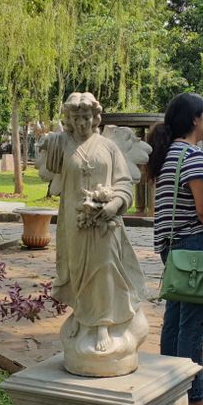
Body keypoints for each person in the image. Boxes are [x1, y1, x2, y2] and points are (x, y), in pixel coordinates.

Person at [146, 93, 203, 405]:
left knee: (175, 320)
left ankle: (171, 387)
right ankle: (193, 398)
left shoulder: (168, 156)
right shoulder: (193, 157)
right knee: (193, 325)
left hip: (172, 249)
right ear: (195, 120)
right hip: (193, 247)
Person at [42, 92, 147, 357]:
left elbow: (123, 183)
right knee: (77, 269)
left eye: (86, 117)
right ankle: (81, 315)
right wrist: (44, 143)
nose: (82, 123)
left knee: (104, 270)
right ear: (69, 119)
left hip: (104, 223)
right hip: (74, 222)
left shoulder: (109, 148)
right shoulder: (64, 144)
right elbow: (47, 163)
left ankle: (103, 323)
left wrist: (113, 204)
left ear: (95, 117)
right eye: (76, 118)